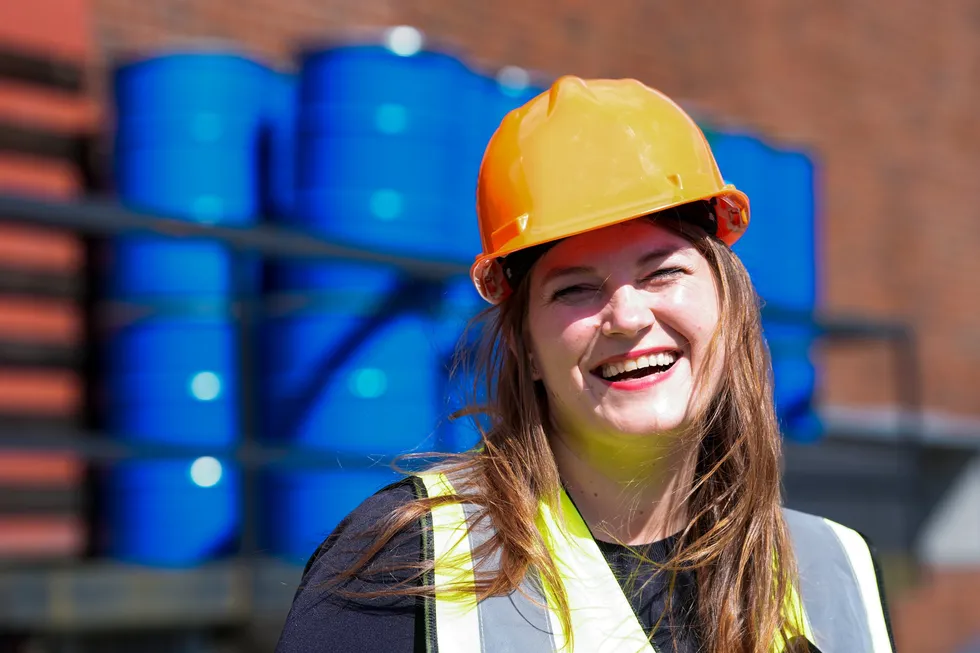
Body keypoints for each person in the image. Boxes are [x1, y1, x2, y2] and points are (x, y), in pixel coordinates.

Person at [276, 76, 895, 653]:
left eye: (663, 272)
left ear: (728, 305)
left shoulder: (837, 568)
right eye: (574, 289)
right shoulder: (406, 565)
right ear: (525, 347)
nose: (626, 317)